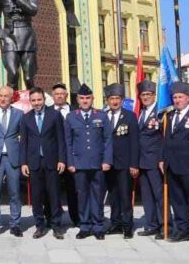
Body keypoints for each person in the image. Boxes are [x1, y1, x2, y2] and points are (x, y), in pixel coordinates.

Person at [161, 81, 189, 245]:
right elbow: (166, 140)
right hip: (172, 165)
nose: (177, 100)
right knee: (177, 200)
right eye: (174, 97)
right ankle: (182, 230)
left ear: (188, 97)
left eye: (180, 97)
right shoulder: (170, 116)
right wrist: (163, 159)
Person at [65, 84, 112, 240]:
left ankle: (98, 226)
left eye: (88, 98)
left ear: (92, 99)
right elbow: (68, 142)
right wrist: (70, 163)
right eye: (82, 98)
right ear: (78, 99)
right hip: (79, 164)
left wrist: (107, 161)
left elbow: (108, 140)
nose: (85, 101)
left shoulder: (102, 116)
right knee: (82, 195)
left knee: (98, 195)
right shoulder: (71, 117)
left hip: (98, 163)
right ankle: (84, 225)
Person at [20, 87, 67, 239]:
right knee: (37, 196)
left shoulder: (55, 115)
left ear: (44, 100)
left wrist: (61, 160)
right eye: (33, 100)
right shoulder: (26, 118)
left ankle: (56, 226)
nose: (37, 103)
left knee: (54, 195)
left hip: (52, 161)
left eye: (39, 100)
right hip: (34, 163)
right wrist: (24, 163)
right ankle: (40, 226)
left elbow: (61, 139)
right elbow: (24, 143)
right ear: (30, 101)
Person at [0, 85, 24, 236]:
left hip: (13, 158)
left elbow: (24, 137)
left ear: (11, 98)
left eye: (5, 96)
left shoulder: (19, 114)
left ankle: (15, 224)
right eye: (0, 95)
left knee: (14, 192)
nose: (2, 98)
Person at [103, 83, 139, 238]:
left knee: (125, 196)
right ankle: (115, 223)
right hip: (108, 164)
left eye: (117, 98)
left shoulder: (130, 116)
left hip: (125, 164)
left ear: (122, 100)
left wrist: (134, 164)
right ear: (107, 100)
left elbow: (134, 142)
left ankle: (127, 226)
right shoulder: (103, 116)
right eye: (112, 99)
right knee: (113, 196)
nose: (115, 102)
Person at [136, 80, 165, 237]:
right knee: (147, 196)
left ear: (154, 95)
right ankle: (151, 223)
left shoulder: (161, 113)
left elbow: (164, 138)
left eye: (148, 94)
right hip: (142, 161)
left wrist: (162, 158)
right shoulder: (141, 112)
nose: (145, 97)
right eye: (143, 95)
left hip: (155, 161)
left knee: (159, 195)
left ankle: (163, 224)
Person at [51, 83, 79, 228]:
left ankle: (77, 218)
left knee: (74, 189)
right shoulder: (47, 111)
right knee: (52, 189)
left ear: (66, 95)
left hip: (73, 156)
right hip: (53, 157)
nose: (59, 96)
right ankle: (53, 219)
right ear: (52, 96)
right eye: (56, 94)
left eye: (62, 93)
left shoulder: (76, 110)